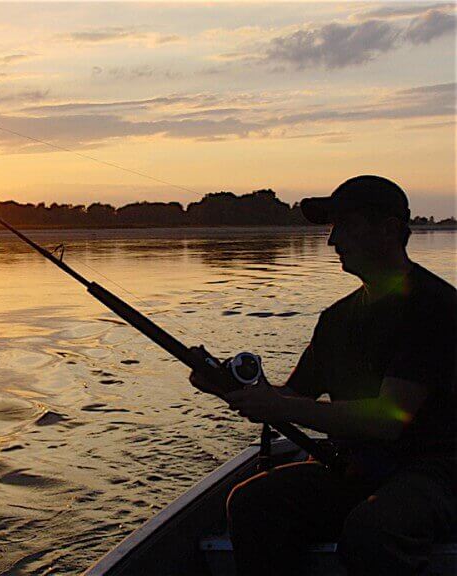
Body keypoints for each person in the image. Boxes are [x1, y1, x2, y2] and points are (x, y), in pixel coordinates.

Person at [189, 175, 456, 575]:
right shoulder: (335, 319)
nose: (332, 241)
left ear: (389, 229)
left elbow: (388, 420)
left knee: (373, 529)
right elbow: (294, 397)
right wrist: (227, 387)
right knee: (252, 502)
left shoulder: (435, 308)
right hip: (360, 467)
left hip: (436, 472)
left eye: (344, 225)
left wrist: (277, 404)